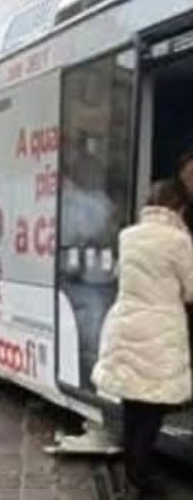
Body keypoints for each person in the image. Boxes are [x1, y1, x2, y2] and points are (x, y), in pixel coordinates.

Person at [92, 179, 193, 497]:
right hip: (159, 331)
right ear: (178, 207)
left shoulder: (128, 236)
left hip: (126, 324)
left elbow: (120, 274)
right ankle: (140, 475)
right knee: (152, 407)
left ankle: (133, 469)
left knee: (134, 403)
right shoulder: (178, 240)